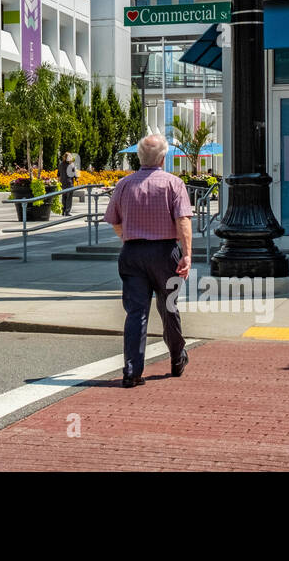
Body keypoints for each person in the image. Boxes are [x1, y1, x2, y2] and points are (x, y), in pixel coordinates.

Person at [104, 133, 192, 388]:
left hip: (132, 254)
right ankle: (177, 357)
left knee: (136, 313)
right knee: (170, 307)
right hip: (165, 252)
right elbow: (183, 221)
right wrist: (186, 254)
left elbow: (114, 221)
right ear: (163, 158)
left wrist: (129, 239)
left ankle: (132, 371)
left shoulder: (124, 185)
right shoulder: (174, 184)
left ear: (140, 157)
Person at [57, 151, 79, 216]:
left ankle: (63, 211)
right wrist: (77, 180)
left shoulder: (60, 164)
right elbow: (75, 174)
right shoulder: (71, 165)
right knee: (69, 198)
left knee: (64, 197)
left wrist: (59, 182)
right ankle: (67, 211)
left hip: (62, 183)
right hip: (69, 183)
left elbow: (58, 174)